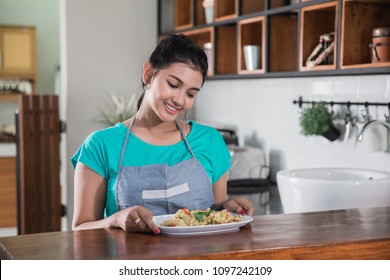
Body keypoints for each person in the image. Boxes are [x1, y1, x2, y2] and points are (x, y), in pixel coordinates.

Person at [71, 33, 254, 234]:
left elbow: (216, 209)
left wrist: (228, 208)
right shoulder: (100, 145)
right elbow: (80, 230)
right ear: (148, 74)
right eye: (173, 85)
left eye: (190, 94)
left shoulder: (210, 141)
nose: (180, 100)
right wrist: (116, 219)